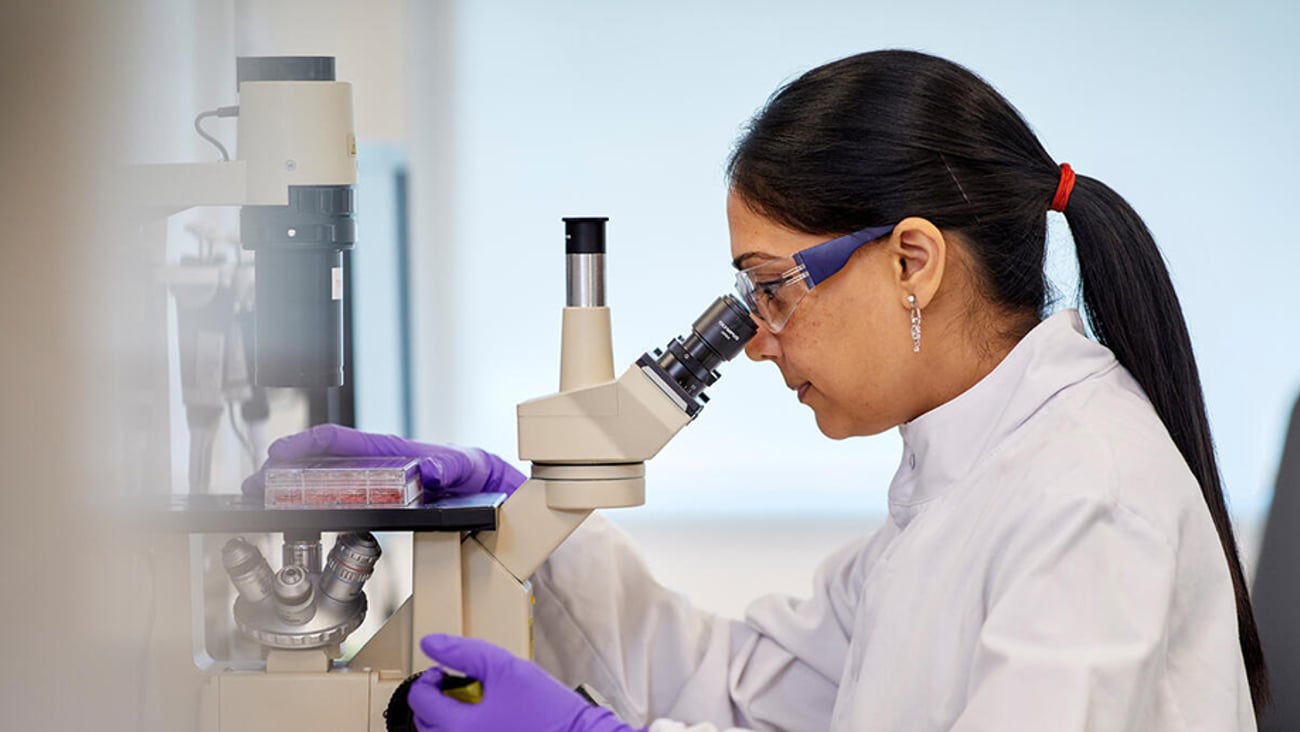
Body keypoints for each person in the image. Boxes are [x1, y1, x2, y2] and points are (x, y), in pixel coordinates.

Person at [250, 50, 1267, 731]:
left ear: (912, 260)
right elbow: (735, 683)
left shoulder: (1083, 497)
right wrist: (522, 517)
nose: (755, 344)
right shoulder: (966, 476)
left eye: (773, 290)